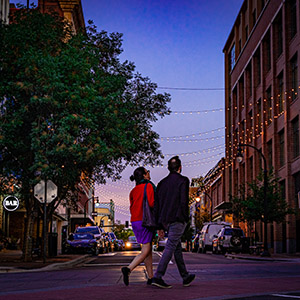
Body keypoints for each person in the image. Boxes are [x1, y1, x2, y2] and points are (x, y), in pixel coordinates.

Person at [152, 156, 195, 289]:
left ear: (168, 168)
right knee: (171, 246)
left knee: (176, 247)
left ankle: (185, 276)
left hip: (165, 220)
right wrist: (185, 217)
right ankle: (158, 276)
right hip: (177, 218)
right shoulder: (183, 181)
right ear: (180, 167)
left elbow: (157, 206)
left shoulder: (161, 183)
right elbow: (183, 201)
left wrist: (159, 225)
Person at [121, 167, 156, 286]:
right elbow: (152, 203)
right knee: (145, 250)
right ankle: (129, 269)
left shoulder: (133, 190)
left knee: (148, 249)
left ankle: (151, 277)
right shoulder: (149, 186)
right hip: (145, 220)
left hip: (135, 221)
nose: (149, 173)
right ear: (145, 175)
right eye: (147, 172)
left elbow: (132, 206)